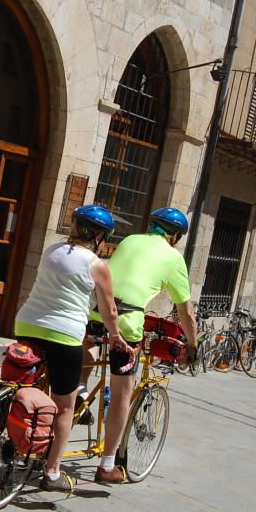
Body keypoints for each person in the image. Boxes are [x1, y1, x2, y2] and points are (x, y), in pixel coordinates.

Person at [14, 204, 130, 494]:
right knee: (64, 406)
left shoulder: (51, 250)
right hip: (63, 335)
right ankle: (52, 471)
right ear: (100, 236)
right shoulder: (97, 265)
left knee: (29, 386)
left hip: (26, 324)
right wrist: (115, 335)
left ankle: (17, 442)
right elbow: (109, 310)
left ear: (75, 226)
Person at [86, 207, 197, 484]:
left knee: (89, 344)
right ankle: (108, 465)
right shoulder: (174, 259)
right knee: (123, 395)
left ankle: (77, 391)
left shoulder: (130, 239)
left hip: (97, 310)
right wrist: (193, 345)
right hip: (126, 323)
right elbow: (186, 312)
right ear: (176, 236)